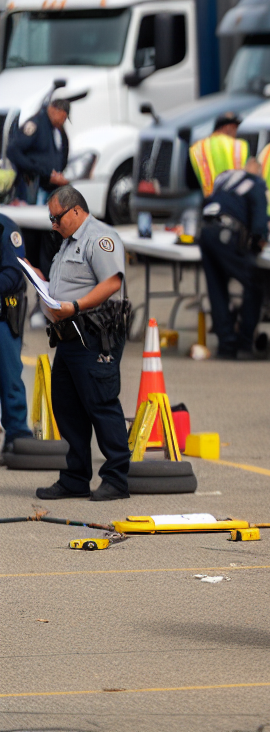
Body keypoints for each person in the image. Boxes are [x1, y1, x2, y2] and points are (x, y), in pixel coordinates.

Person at [34, 186, 132, 502]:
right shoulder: (67, 242)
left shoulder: (100, 238)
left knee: (101, 405)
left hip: (94, 335)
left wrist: (74, 306)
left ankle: (116, 479)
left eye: (56, 217)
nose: (53, 224)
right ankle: (75, 477)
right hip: (69, 337)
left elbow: (112, 282)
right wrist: (43, 282)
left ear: (75, 211)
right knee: (67, 406)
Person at [199, 159, 268, 360]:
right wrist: (255, 248)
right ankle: (245, 342)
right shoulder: (255, 183)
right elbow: (259, 226)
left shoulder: (225, 178)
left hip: (206, 231)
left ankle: (226, 344)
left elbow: (208, 201)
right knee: (254, 282)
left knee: (217, 287)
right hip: (226, 234)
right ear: (258, 170)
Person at [0, 210, 31, 453]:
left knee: (9, 376)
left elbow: (14, 273)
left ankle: (17, 434)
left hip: (3, 315)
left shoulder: (6, 228)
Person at [7, 97, 70, 205]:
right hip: (33, 185)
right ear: (53, 110)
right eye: (63, 117)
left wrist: (56, 174)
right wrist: (39, 171)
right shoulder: (36, 124)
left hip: (49, 188)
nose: (63, 121)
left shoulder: (57, 129)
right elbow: (13, 151)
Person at [188, 112, 249, 199]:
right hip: (235, 203)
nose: (235, 133)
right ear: (228, 128)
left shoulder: (196, 147)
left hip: (208, 203)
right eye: (235, 129)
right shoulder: (239, 145)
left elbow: (190, 180)